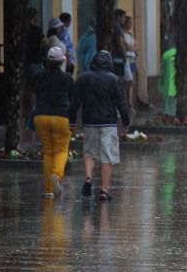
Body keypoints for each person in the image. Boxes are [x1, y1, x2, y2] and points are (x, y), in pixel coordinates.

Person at [70, 50, 130, 202]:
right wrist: (126, 122)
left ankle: (88, 177)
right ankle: (104, 191)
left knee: (89, 152)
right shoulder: (114, 80)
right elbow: (122, 104)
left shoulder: (84, 78)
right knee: (107, 156)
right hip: (108, 123)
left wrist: (72, 121)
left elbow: (75, 102)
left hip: (89, 122)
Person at [32, 46, 75, 198]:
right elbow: (73, 98)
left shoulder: (39, 76)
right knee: (61, 150)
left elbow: (35, 91)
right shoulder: (66, 78)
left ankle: (48, 190)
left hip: (41, 116)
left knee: (48, 152)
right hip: (61, 117)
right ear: (61, 61)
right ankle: (56, 175)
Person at [22, 8, 48, 117]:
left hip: (25, 63)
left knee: (27, 88)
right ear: (34, 17)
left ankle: (26, 111)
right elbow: (45, 43)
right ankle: (34, 111)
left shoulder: (22, 30)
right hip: (36, 62)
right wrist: (42, 52)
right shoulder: (37, 30)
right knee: (36, 88)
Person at [122, 16, 138, 110]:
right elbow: (126, 47)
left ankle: (130, 103)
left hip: (133, 58)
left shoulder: (130, 35)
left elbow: (136, 46)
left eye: (131, 23)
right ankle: (124, 101)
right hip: (127, 58)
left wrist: (132, 48)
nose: (131, 25)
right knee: (128, 80)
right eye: (129, 23)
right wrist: (132, 48)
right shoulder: (122, 35)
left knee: (132, 82)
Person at [111, 9, 128, 79]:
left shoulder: (113, 26)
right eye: (124, 17)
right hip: (118, 57)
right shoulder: (117, 28)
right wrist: (125, 56)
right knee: (120, 78)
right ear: (118, 17)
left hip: (114, 57)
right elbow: (121, 43)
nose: (125, 19)